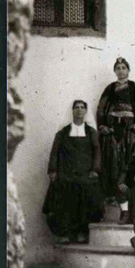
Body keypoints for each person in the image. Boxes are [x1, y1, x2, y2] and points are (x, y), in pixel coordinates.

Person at [43, 100, 104, 244]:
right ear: (72, 111)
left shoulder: (91, 132)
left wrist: (95, 170)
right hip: (66, 173)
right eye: (76, 107)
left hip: (85, 173)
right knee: (62, 199)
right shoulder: (63, 132)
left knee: (88, 197)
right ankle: (64, 233)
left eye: (82, 108)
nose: (79, 110)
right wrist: (53, 170)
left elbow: (97, 152)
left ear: (85, 111)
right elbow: (54, 152)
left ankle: (81, 232)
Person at [95, 57, 135, 203]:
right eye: (118, 68)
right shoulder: (110, 88)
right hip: (111, 131)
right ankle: (111, 194)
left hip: (129, 131)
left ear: (128, 70)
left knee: (129, 160)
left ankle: (129, 195)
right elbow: (101, 108)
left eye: (124, 67)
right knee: (111, 161)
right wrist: (102, 126)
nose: (121, 71)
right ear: (114, 71)